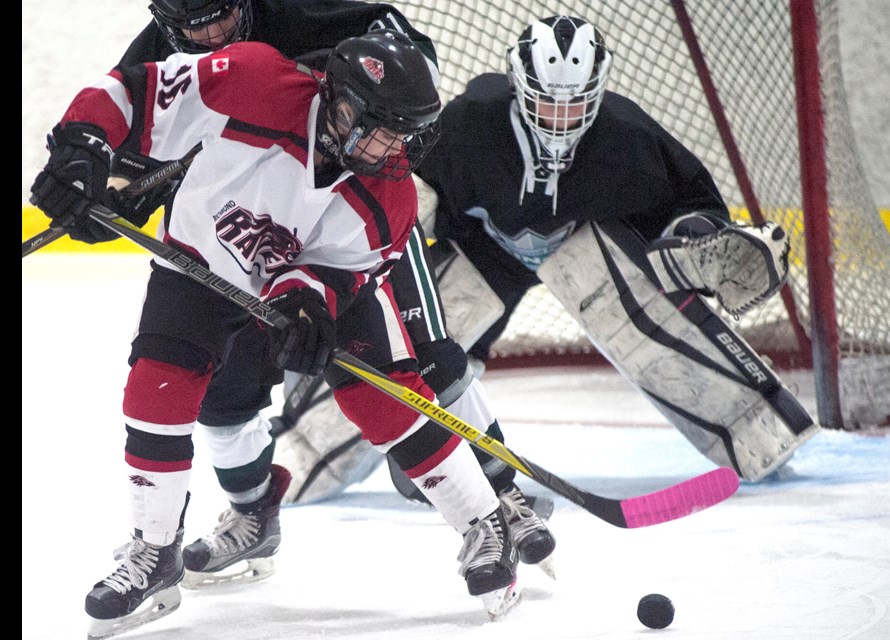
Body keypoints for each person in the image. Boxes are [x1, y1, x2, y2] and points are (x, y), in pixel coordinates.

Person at [29, 32, 522, 639]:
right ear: (339, 101)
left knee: (380, 397)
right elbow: (135, 94)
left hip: (311, 284)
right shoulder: (254, 81)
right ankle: (155, 552)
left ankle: (484, 519)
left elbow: (339, 271)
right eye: (381, 128)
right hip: (200, 263)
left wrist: (307, 303)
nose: (393, 148)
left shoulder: (387, 195)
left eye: (405, 134)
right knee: (156, 391)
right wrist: (82, 147)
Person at [282, 14, 819, 500]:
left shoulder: (626, 137)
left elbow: (688, 208)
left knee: (641, 309)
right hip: (485, 247)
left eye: (575, 103)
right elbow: (402, 190)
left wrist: (704, 244)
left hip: (585, 244)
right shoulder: (472, 122)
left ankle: (757, 430)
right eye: (546, 101)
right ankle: (305, 452)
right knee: (413, 336)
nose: (561, 117)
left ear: (598, 92)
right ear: (519, 88)